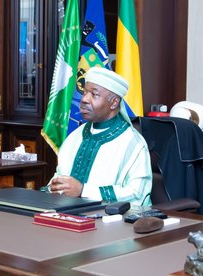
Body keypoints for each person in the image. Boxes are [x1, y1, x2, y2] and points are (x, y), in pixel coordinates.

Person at [47, 67, 152, 206]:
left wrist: (83, 191)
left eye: (94, 94)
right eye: (84, 92)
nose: (84, 99)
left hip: (111, 217)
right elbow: (59, 177)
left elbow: (137, 194)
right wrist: (53, 188)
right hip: (65, 212)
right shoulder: (75, 136)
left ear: (114, 103)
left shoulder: (133, 143)